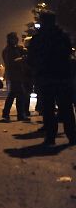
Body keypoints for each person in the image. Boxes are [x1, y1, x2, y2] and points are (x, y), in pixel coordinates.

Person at [26, 11, 75, 146]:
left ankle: (50, 137)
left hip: (45, 78)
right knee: (66, 108)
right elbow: (68, 54)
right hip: (63, 77)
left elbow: (31, 60)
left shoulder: (38, 39)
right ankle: (72, 136)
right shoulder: (63, 36)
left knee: (48, 109)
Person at [1, 32, 30, 121]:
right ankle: (19, 114)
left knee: (14, 94)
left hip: (18, 75)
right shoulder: (8, 50)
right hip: (14, 75)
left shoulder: (16, 48)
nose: (16, 40)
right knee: (19, 94)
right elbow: (10, 63)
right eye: (14, 38)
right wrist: (21, 59)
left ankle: (7, 113)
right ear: (10, 39)